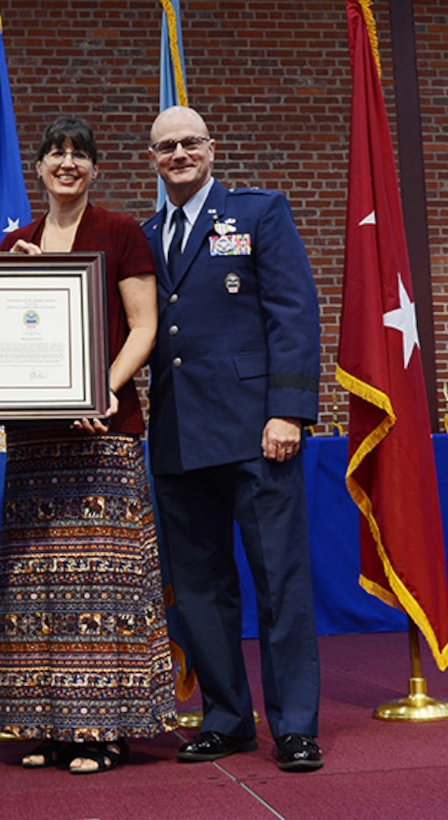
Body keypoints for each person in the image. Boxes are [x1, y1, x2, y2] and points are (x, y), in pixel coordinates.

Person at [0, 117, 177, 775]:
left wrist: (103, 391)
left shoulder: (121, 232)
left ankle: (106, 731)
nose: (67, 163)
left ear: (95, 169)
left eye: (79, 155)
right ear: (38, 168)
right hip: (35, 441)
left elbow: (144, 328)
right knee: (38, 589)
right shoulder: (14, 244)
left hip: (104, 432)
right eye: (55, 154)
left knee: (106, 587)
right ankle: (45, 725)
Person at [143, 105, 323, 772]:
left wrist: (289, 411)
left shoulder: (258, 214)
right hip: (178, 436)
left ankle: (296, 726)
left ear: (211, 148)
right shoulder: (146, 233)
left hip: (256, 431)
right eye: (167, 147)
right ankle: (225, 718)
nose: (180, 154)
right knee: (198, 589)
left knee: (281, 582)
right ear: (153, 159)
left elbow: (293, 312)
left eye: (191, 142)